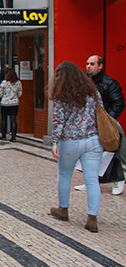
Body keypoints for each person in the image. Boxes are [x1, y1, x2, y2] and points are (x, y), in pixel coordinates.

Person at [48, 61, 106, 232]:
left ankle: (63, 209)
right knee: (92, 179)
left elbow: (58, 121)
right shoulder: (93, 93)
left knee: (65, 174)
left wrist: (55, 142)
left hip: (70, 140)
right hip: (93, 140)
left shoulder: (61, 95)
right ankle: (92, 217)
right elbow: (101, 113)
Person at [75, 55, 126, 195]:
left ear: (100, 66)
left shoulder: (109, 83)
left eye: (92, 63)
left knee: (109, 152)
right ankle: (91, 181)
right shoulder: (84, 82)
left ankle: (119, 179)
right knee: (91, 154)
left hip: (104, 124)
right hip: (88, 125)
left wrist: (107, 120)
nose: (88, 66)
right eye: (87, 63)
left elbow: (118, 103)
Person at [0, 69, 22, 141]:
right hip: (14, 103)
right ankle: (13, 137)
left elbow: (0, 93)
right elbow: (20, 93)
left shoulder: (4, 83)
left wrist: (3, 96)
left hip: (5, 103)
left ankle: (4, 135)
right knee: (13, 120)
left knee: (4, 120)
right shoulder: (18, 83)